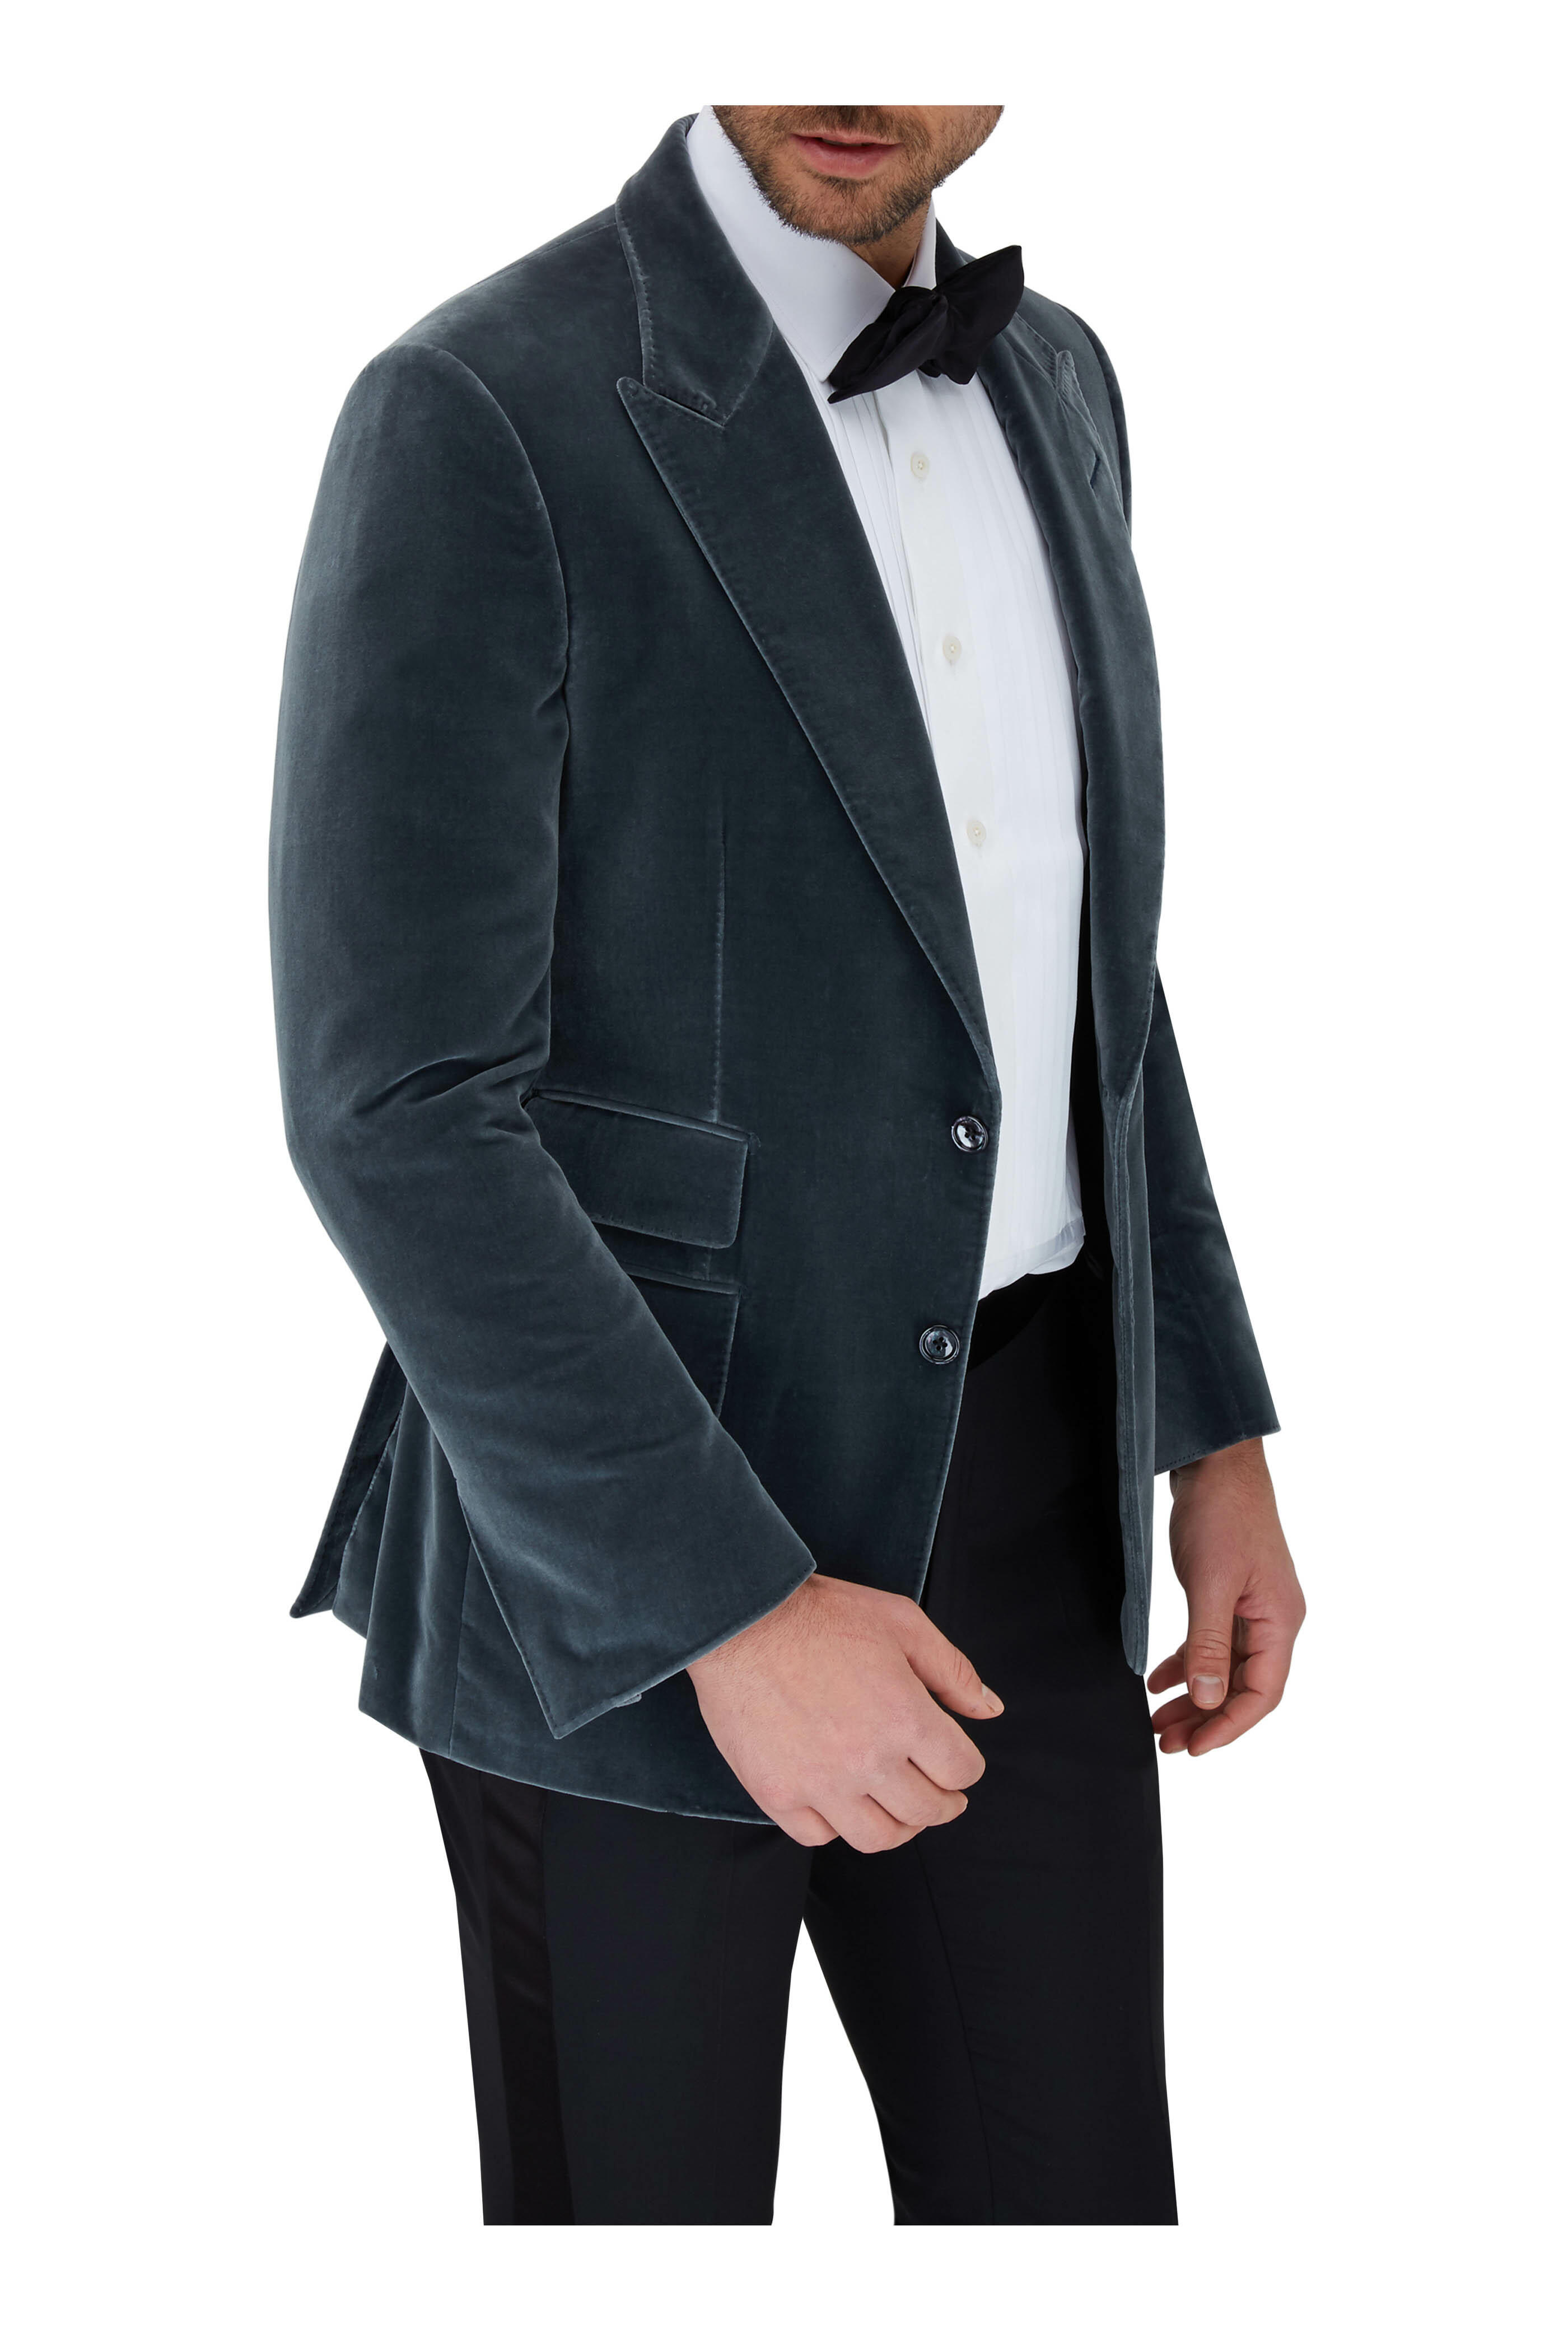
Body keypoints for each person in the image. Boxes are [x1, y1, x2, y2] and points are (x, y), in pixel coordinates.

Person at [270, 103, 1305, 2226]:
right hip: (616, 1547)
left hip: (1028, 1496)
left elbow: (1077, 977)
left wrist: (1209, 1433)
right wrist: (724, 1609)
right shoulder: (479, 407)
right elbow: (398, 1103)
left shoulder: (1062, 382)